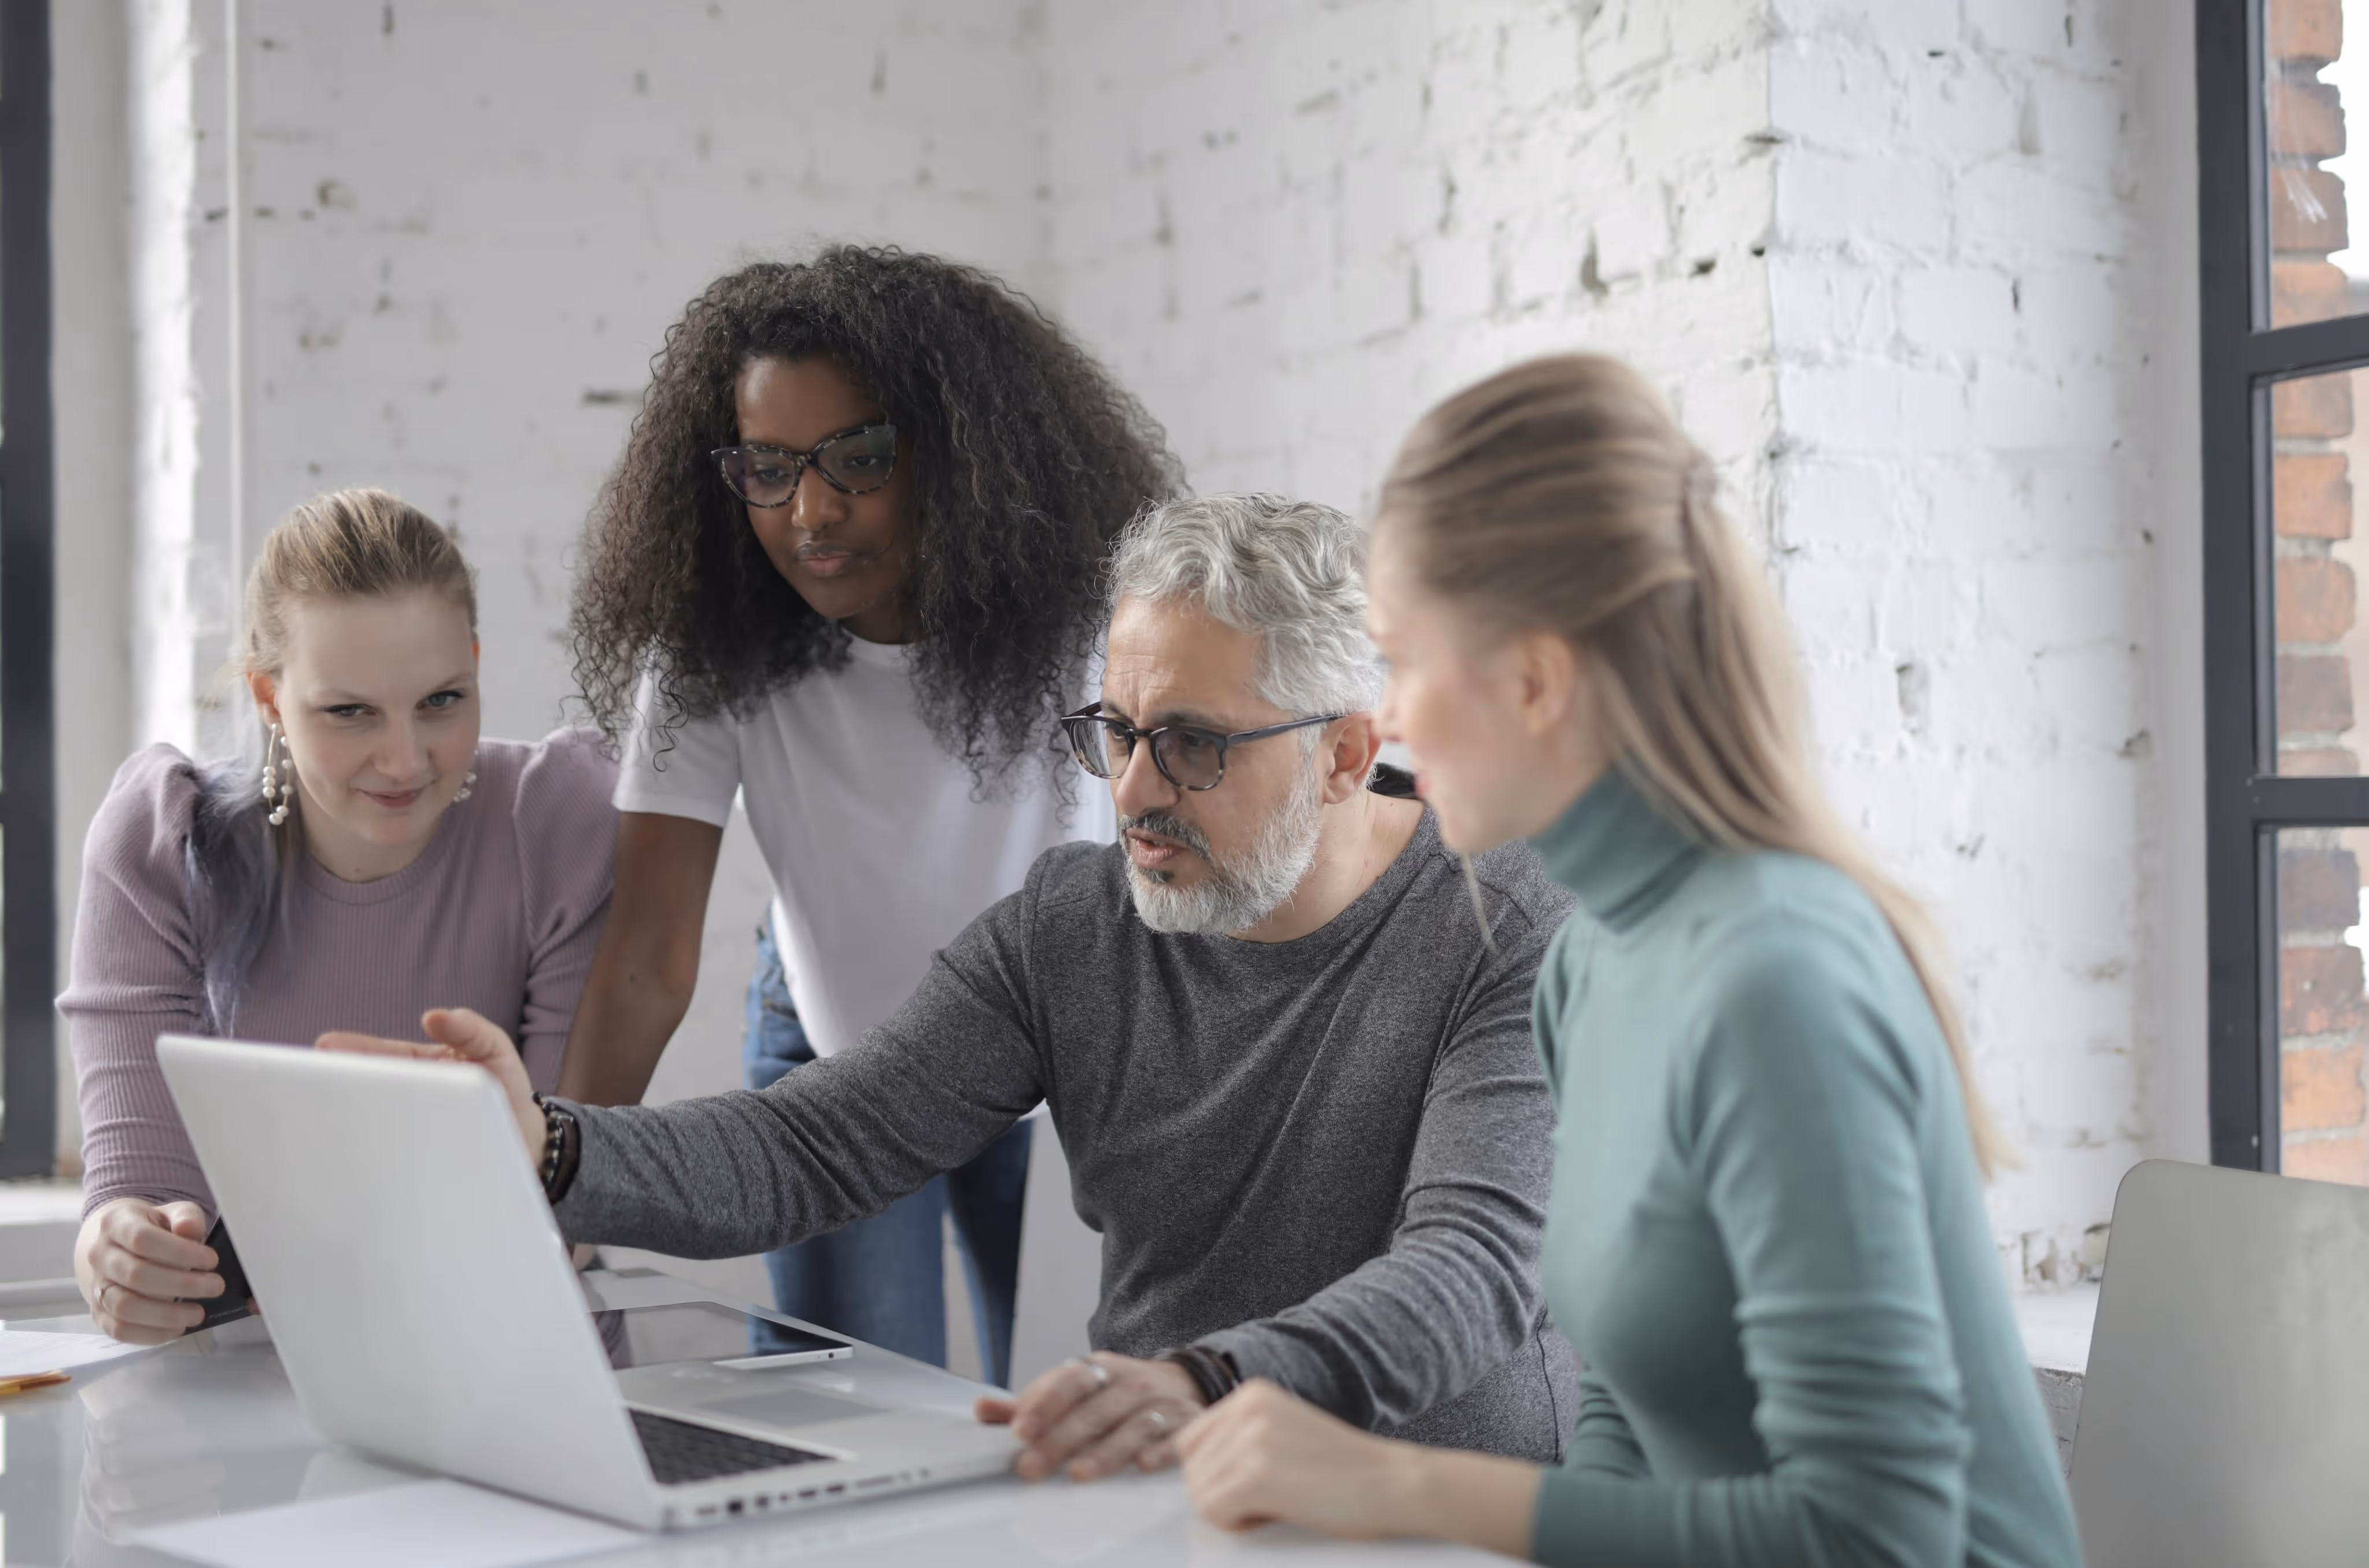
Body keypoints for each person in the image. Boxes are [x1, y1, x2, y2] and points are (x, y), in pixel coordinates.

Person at [327, 494, 1580, 1487]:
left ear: (1345, 752)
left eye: (1192, 744)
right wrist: (546, 1141)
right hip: (1175, 1491)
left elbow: (1467, 1271)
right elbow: (815, 1143)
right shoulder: (1076, 923)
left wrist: (1200, 1379)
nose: (1133, 791)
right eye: (1119, 730)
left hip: (1438, 1510)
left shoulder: (1505, 923)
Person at [1172, 357, 2083, 1566]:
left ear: (1534, 679)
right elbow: (1625, 1403)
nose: (1382, 719)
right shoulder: (1588, 961)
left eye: (1399, 660)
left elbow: (1874, 1536)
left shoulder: (1777, 980)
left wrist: (1400, 1483)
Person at [557, 246, 1178, 1382]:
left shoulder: (1092, 614)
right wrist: (557, 1189)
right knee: (844, 1427)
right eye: (769, 466)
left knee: (1061, 1413)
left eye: (858, 458)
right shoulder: (707, 647)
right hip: (835, 1060)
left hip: (1066, 1067)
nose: (810, 511)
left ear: (960, 452)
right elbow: (645, 955)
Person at [60, 489, 617, 1345]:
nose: (404, 759)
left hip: (502, 1349)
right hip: (247, 1360)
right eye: (348, 711)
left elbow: (557, 1201)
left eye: (442, 699)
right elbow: (142, 1194)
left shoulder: (555, 823)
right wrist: (123, 1253)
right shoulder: (163, 846)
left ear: (475, 662)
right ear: (269, 698)